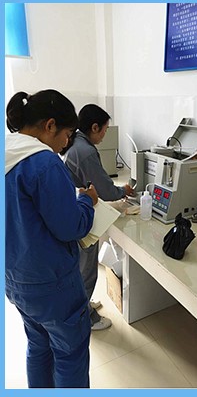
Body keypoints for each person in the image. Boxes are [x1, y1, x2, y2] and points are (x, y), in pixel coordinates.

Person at [5, 90, 98, 387]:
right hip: (52, 285)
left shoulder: (8, 153)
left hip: (16, 281)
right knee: (70, 354)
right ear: (50, 125)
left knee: (38, 345)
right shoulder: (44, 162)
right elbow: (71, 227)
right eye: (67, 135)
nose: (65, 144)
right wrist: (86, 201)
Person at [62, 104, 135, 331]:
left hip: (72, 208)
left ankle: (82, 306)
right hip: (80, 214)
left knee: (79, 268)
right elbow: (105, 190)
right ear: (94, 127)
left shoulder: (77, 143)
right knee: (86, 269)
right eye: (104, 130)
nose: (104, 135)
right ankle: (86, 318)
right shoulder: (85, 151)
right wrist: (123, 191)